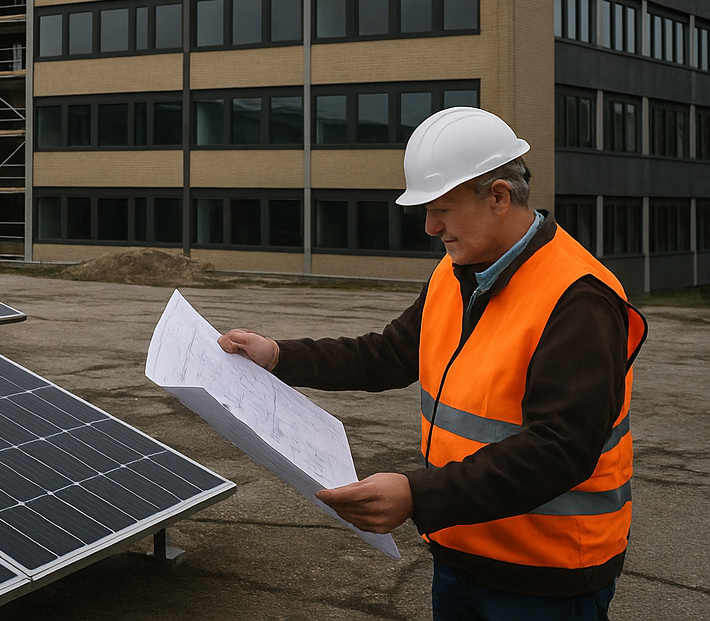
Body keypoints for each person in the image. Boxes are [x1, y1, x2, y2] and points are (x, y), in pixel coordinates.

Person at [218, 107, 646, 621]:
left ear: (498, 197)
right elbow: (389, 354)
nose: (429, 226)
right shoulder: (457, 269)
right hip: (461, 553)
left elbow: (559, 450)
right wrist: (280, 356)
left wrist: (415, 494)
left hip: (547, 580)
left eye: (441, 207)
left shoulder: (579, 299)